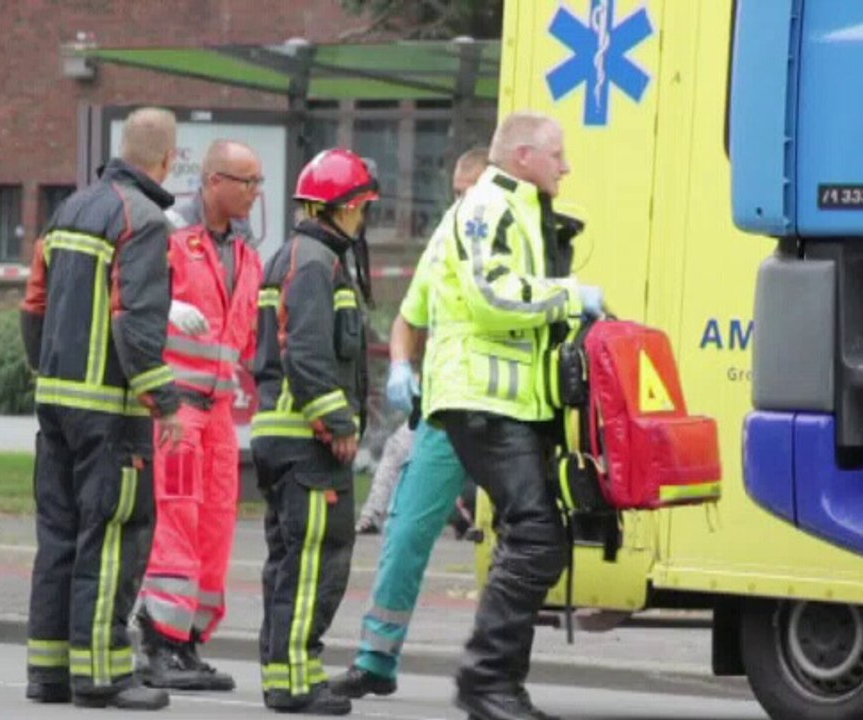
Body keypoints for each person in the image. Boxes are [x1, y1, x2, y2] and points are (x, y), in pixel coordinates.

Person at [430, 112, 603, 720]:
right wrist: (570, 296)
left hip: (504, 402)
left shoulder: (518, 207)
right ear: (525, 155)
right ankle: (485, 683)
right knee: (535, 537)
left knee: (528, 536)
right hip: (483, 397)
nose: (566, 165)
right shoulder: (490, 206)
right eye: (558, 154)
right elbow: (491, 294)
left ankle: (501, 686)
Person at [20, 107, 184, 711]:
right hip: (111, 413)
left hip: (57, 403)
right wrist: (163, 402)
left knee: (59, 536)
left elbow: (32, 302)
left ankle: (48, 672)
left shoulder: (71, 209)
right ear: (166, 159)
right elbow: (136, 323)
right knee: (113, 537)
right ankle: (101, 675)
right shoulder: (143, 221)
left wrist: (47, 370)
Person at [331, 148, 489, 700]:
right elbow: (408, 318)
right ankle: (376, 657)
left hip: (506, 412)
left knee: (520, 545)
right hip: (445, 413)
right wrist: (401, 363)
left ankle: (497, 673)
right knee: (404, 535)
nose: (461, 202)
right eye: (456, 191)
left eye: (470, 191)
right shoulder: (447, 237)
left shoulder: (514, 235)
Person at [251, 148, 378, 716]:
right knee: (316, 562)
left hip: (289, 440)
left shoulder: (306, 255)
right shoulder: (313, 262)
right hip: (308, 443)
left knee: (290, 563)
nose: (365, 218)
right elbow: (307, 350)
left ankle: (284, 675)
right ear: (343, 207)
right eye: (362, 207)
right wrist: (337, 421)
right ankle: (298, 680)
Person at [136, 141, 264, 692]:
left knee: (215, 523)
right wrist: (164, 307)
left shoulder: (246, 250)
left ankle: (188, 642)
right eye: (247, 182)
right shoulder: (168, 236)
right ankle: (158, 640)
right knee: (176, 519)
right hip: (176, 409)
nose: (256, 193)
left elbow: (242, 337)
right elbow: (130, 300)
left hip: (217, 415)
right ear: (213, 181)